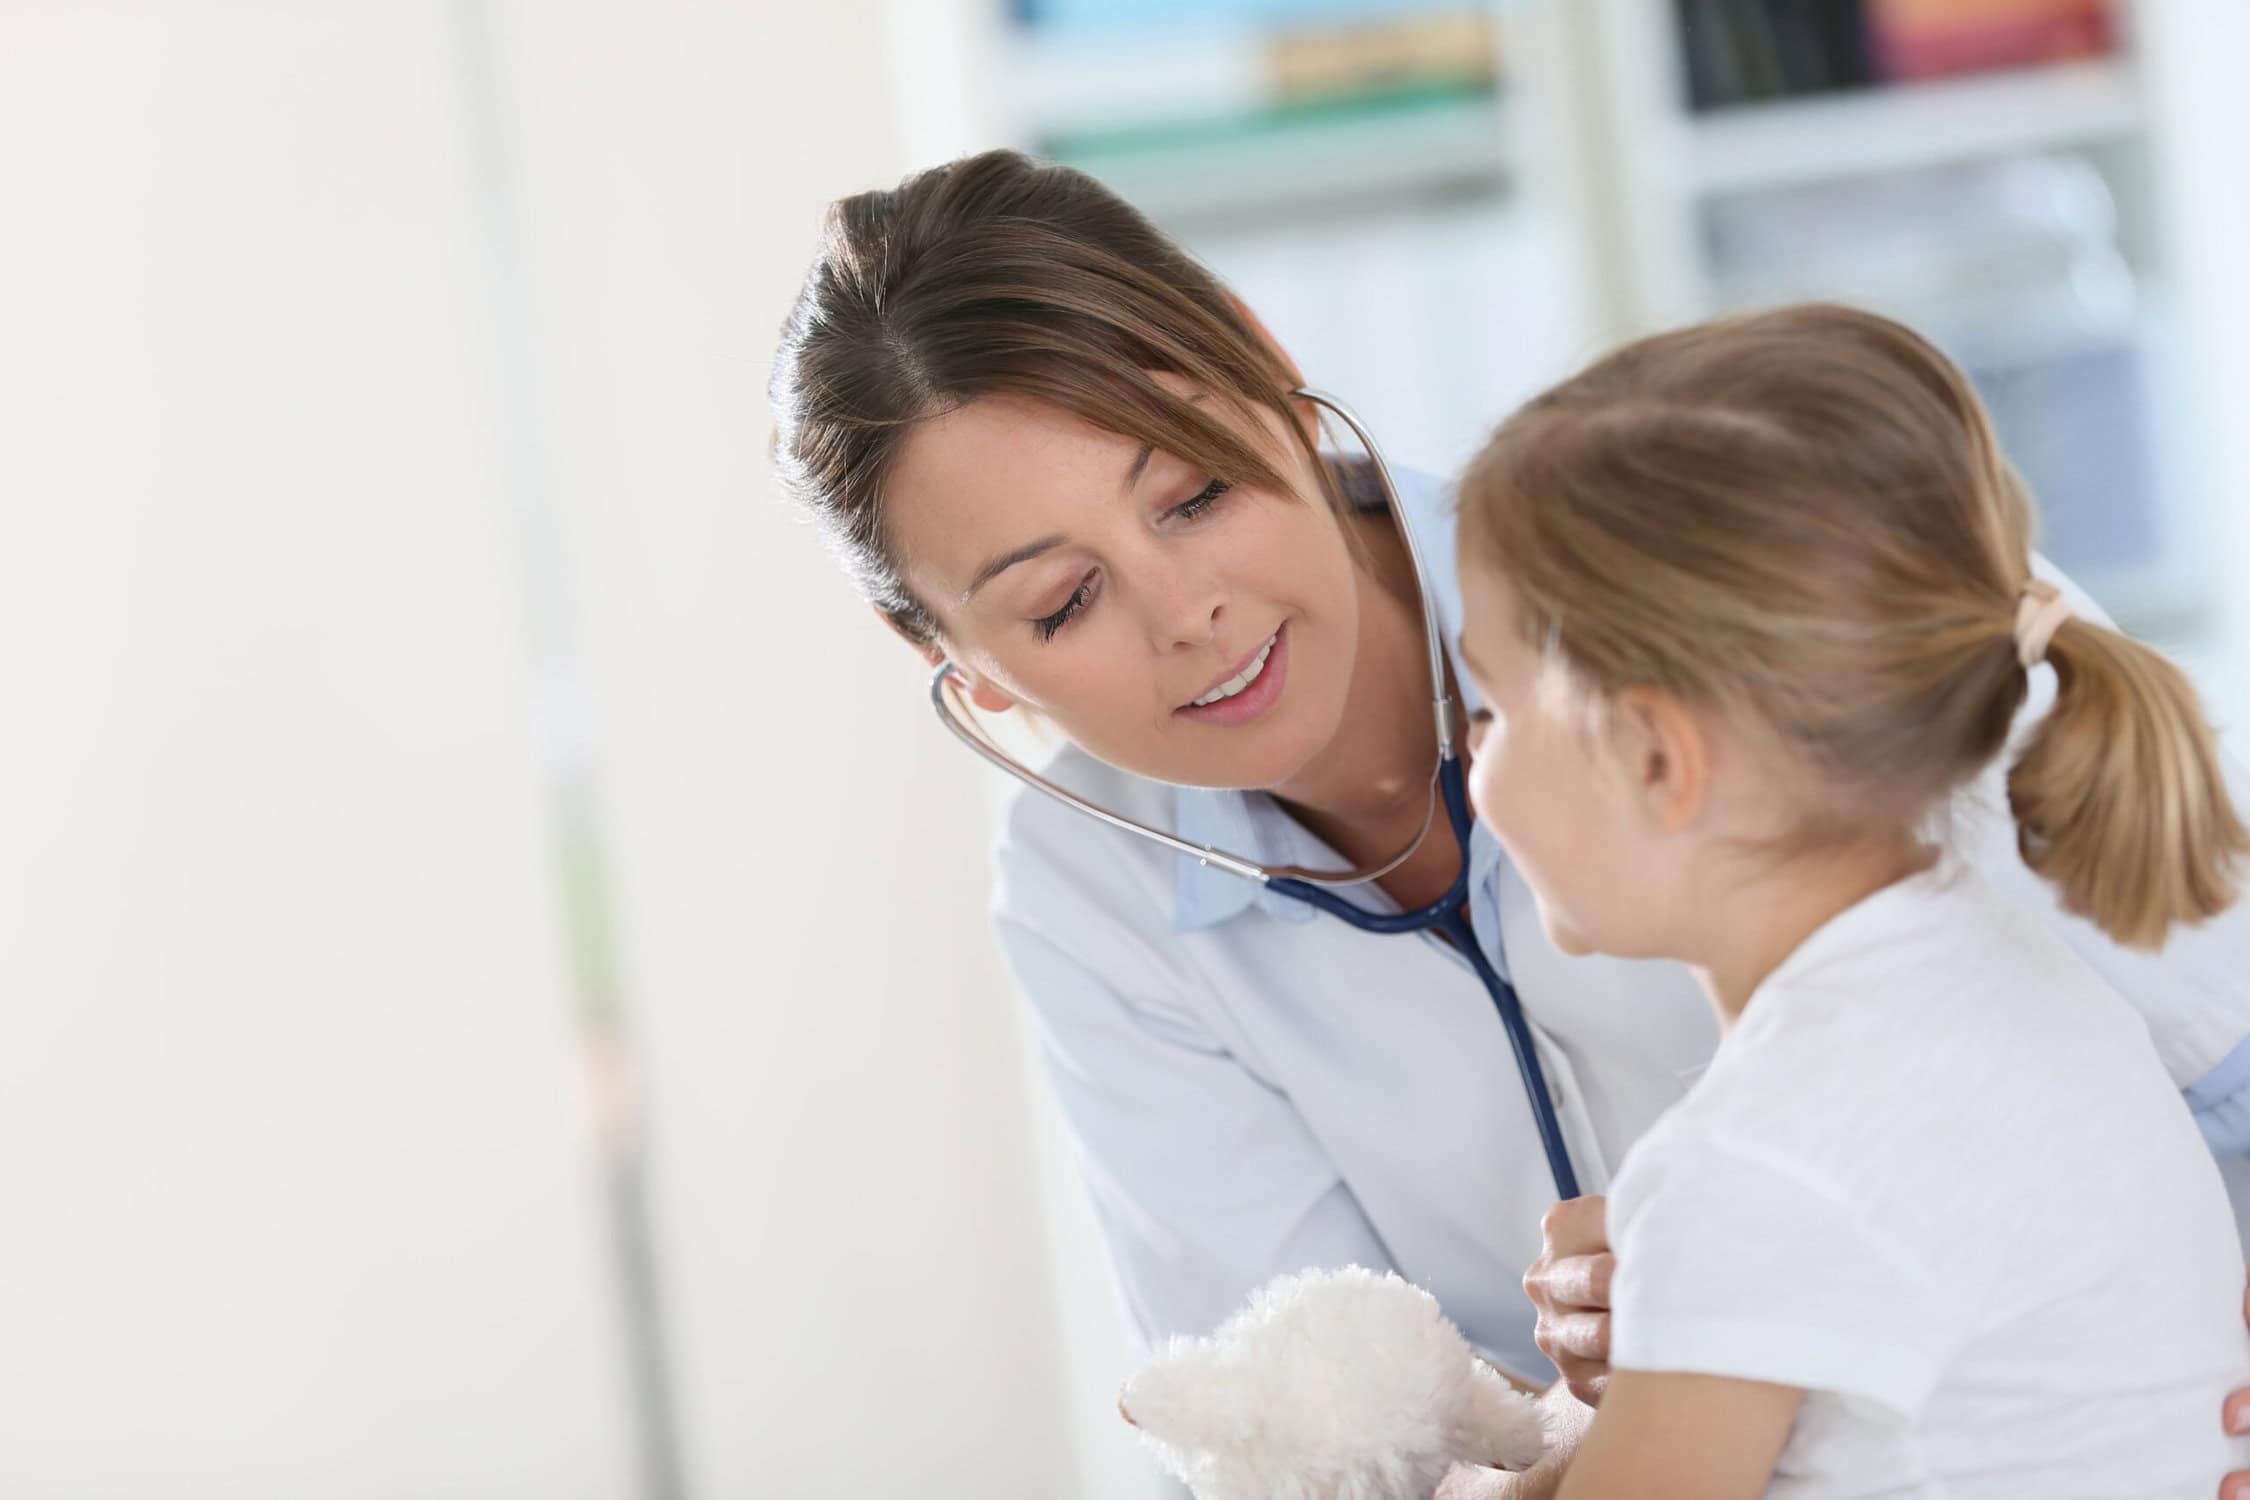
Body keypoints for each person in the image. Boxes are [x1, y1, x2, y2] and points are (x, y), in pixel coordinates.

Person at [766, 149, 2250, 1495]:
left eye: (1197, 492)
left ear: (1271, 364)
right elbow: (1294, 1428)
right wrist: (1652, 1339)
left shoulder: (1725, 561)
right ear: (951, 661)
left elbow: (2214, 1042)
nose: (1183, 613)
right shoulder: (1087, 892)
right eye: (1062, 601)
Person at [1445, 302, 2250, 1497]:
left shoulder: (1752, 1160)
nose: (1468, 753)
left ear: (1659, 761)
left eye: (1495, 709)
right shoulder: (2028, 990)